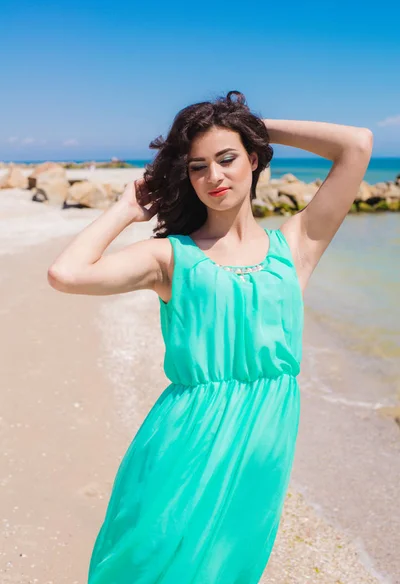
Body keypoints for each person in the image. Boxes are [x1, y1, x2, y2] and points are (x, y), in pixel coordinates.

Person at [47, 91, 373, 583]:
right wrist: (123, 210)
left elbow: (356, 145)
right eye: (198, 166)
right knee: (151, 564)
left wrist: (245, 123)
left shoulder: (295, 248)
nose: (214, 176)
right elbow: (66, 274)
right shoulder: (170, 258)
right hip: (184, 443)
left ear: (255, 159)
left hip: (263, 451)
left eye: (227, 158)